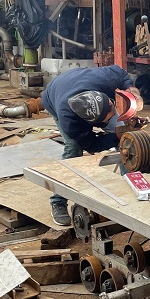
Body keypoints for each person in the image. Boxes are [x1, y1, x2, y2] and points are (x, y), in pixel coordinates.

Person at [41, 65, 141, 226]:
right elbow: (92, 145)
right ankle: (58, 201)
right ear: (95, 122)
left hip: (77, 81)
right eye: (109, 117)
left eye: (112, 106)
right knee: (73, 149)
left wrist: (133, 91)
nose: (114, 114)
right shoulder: (70, 122)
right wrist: (116, 135)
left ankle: (135, 185)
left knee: (126, 138)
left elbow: (122, 74)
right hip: (53, 97)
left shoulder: (103, 80)